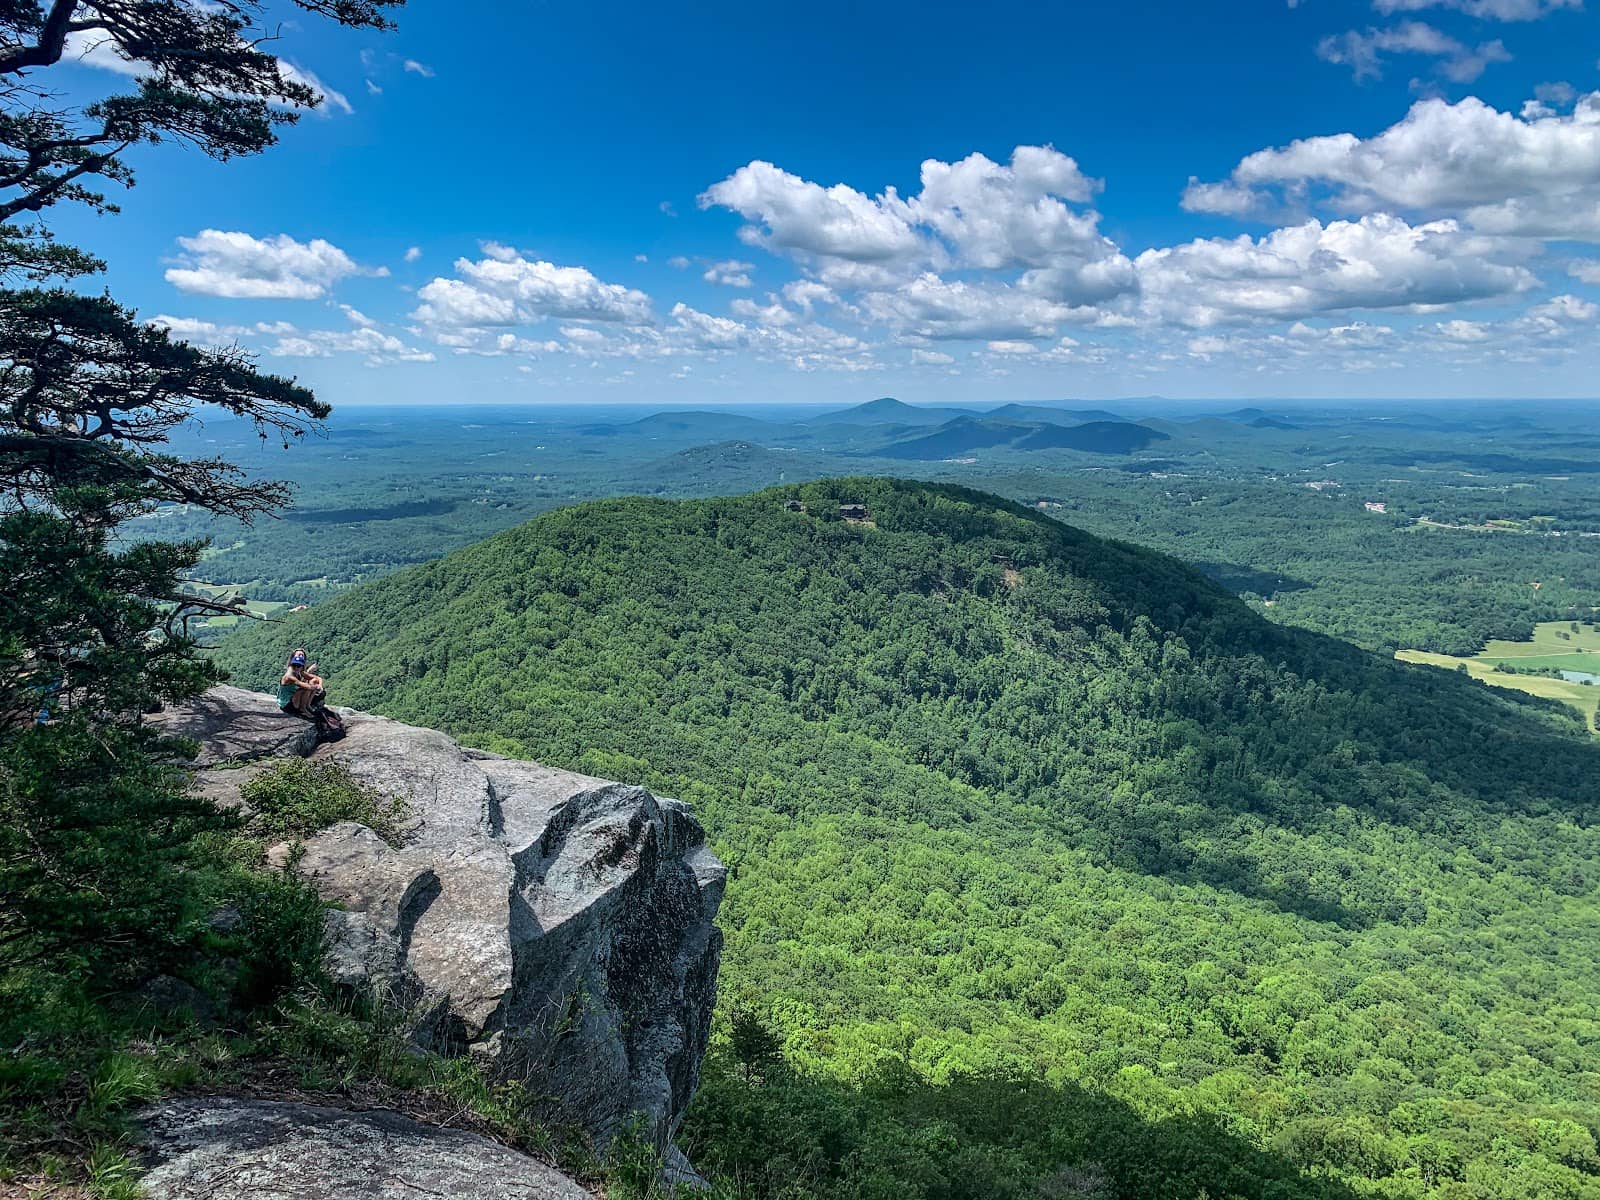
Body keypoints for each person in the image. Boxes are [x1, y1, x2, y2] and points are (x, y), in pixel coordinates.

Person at [277, 649, 324, 718]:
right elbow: (305, 686)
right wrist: (317, 687)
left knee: (314, 681)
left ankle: (307, 705)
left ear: (301, 666)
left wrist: (320, 685)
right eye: (294, 665)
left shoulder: (299, 672)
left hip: (293, 698)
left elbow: (318, 678)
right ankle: (303, 708)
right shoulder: (289, 676)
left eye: (298, 665)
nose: (296, 667)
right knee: (305, 688)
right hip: (286, 704)